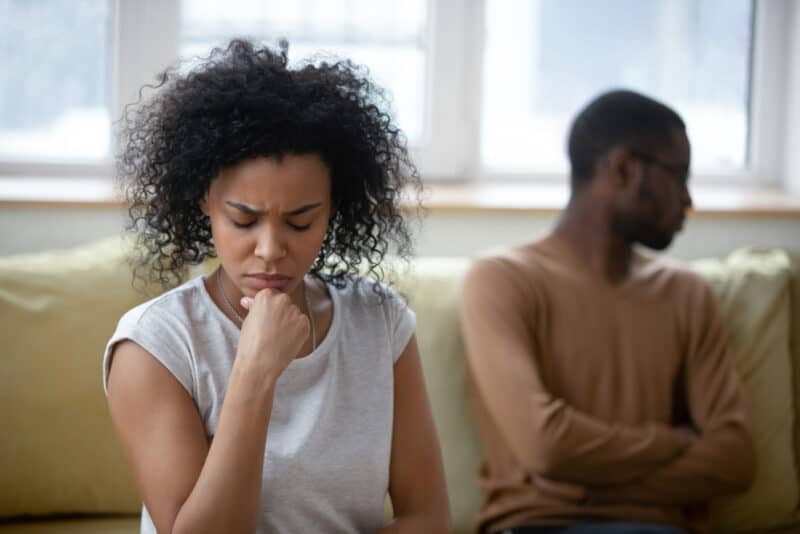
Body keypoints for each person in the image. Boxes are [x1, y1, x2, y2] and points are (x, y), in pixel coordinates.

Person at [104, 39, 449, 534]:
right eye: (244, 220)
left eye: (301, 222)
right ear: (204, 198)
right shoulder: (154, 345)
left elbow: (428, 518)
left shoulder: (380, 321)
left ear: (333, 210)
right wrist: (255, 371)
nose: (270, 248)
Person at [460, 90, 755, 534]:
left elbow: (734, 457)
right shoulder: (502, 280)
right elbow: (545, 444)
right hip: (539, 526)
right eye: (678, 176)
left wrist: (591, 488)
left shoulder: (687, 292)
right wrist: (674, 441)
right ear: (622, 169)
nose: (688, 200)